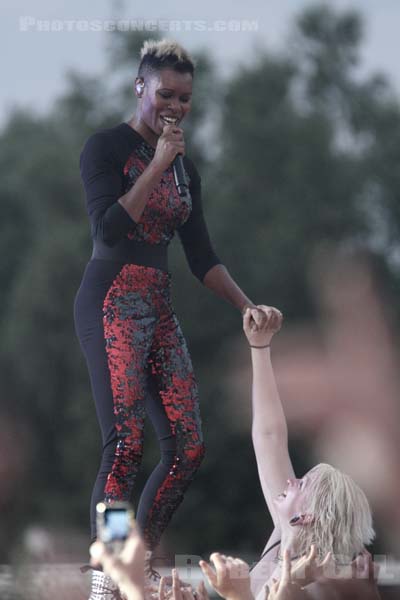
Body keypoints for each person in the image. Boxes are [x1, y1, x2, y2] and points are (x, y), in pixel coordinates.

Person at [74, 38, 265, 599]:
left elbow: (202, 258)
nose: (175, 107)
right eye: (165, 94)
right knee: (125, 443)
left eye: (185, 98)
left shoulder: (187, 171)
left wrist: (247, 305)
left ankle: (141, 561)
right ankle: (108, 571)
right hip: (110, 301)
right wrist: (157, 163)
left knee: (187, 446)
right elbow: (108, 228)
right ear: (141, 87)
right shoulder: (105, 148)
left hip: (158, 309)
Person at [241, 305, 379, 599]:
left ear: (307, 515)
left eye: (300, 484)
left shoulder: (329, 583)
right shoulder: (288, 535)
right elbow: (269, 436)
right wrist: (259, 347)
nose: (291, 481)